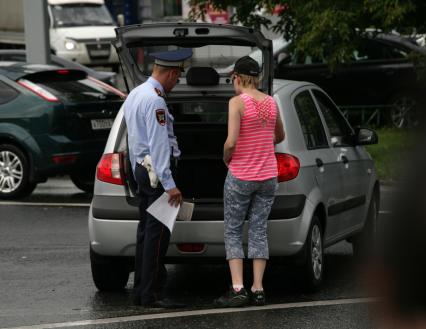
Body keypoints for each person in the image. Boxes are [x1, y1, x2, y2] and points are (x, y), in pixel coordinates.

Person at [123, 48, 192, 308]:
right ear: (172, 73)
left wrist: (136, 171)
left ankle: (141, 290)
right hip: (157, 174)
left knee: (145, 233)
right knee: (157, 236)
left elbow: (133, 140)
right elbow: (159, 144)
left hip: (143, 170)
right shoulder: (155, 101)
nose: (177, 82)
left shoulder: (135, 94)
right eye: (178, 77)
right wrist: (170, 185)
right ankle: (150, 294)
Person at [215, 56, 285, 307]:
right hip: (268, 177)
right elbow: (280, 135)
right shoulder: (271, 101)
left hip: (241, 176)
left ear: (238, 77)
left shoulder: (237, 103)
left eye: (232, 78)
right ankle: (258, 288)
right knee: (258, 230)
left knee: (233, 230)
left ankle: (237, 288)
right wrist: (261, 143)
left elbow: (231, 141)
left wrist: (226, 158)